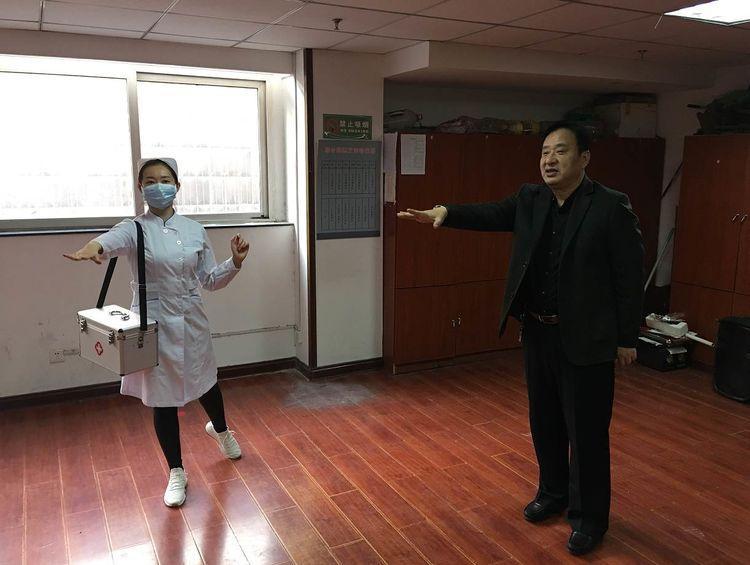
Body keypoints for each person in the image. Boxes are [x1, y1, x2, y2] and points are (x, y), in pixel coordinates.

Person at [398, 122, 644, 556]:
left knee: (586, 432)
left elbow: (629, 276)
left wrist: (627, 338)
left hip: (587, 339)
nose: (549, 160)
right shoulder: (531, 199)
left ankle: (589, 518)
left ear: (584, 158)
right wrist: (445, 213)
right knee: (544, 421)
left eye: (560, 151)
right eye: (545, 152)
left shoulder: (610, 206)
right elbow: (491, 214)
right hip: (539, 332)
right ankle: (553, 493)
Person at [64, 157, 250, 508]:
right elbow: (109, 241)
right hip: (153, 323)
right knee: (162, 398)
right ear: (141, 188)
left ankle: (221, 430)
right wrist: (93, 248)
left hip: (191, 319)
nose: (158, 186)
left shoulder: (194, 230)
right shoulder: (134, 229)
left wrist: (235, 262)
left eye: (165, 180)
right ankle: (176, 471)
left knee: (206, 382)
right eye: (150, 181)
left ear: (177, 186)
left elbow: (209, 280)